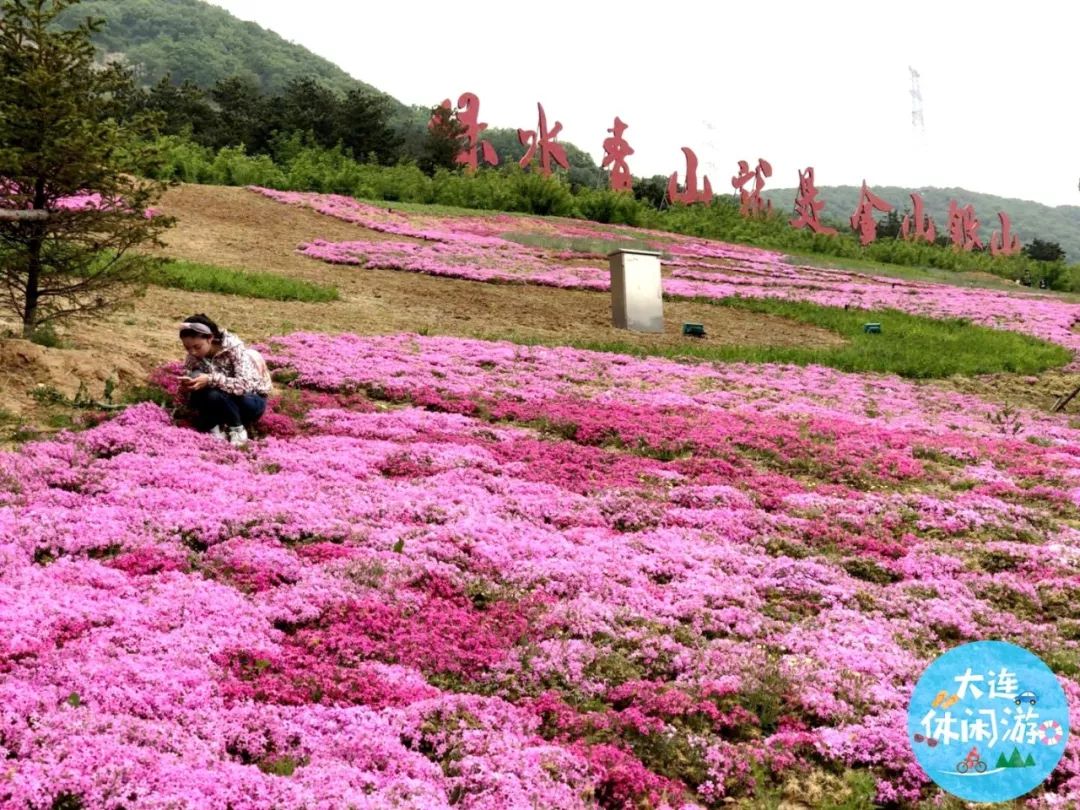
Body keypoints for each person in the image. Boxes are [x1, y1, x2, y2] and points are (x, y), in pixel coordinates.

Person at [178, 314, 272, 446]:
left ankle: (237, 429)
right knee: (197, 378)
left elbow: (245, 386)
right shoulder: (193, 357)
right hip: (221, 402)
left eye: (197, 347)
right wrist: (186, 388)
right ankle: (214, 428)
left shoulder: (234, 349)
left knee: (214, 390)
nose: (192, 352)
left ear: (210, 338)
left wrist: (211, 379)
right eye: (187, 348)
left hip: (250, 402)